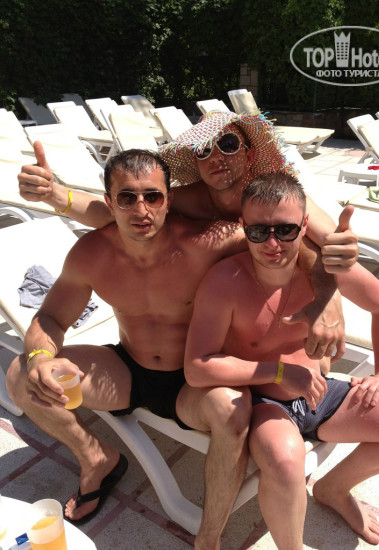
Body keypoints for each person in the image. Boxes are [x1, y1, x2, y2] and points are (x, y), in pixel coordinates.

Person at [7, 149, 253, 549]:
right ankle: (96, 459)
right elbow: (50, 317)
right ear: (109, 202)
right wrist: (41, 357)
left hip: (194, 379)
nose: (142, 210)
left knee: (232, 411)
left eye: (153, 196)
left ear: (169, 200)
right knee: (21, 376)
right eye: (127, 198)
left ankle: (209, 537)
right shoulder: (92, 253)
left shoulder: (206, 242)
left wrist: (326, 299)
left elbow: (285, 239)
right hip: (128, 370)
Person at [184, 172, 379, 549]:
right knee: (285, 461)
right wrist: (278, 372)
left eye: (286, 230)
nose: (272, 244)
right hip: (266, 403)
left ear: (305, 225)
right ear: (244, 227)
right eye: (259, 232)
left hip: (323, 395)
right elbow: (197, 367)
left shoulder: (325, 270)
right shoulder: (225, 281)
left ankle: (334, 488)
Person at [18, 111, 359, 360]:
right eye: (203, 150)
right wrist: (54, 194)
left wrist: (328, 300)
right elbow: (117, 215)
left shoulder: (273, 197)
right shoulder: (184, 199)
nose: (216, 157)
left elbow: (318, 243)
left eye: (228, 144)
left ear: (250, 153)